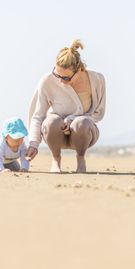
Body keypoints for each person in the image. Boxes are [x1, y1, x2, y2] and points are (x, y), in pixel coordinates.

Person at [26, 39, 106, 173]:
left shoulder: (97, 79)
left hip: (84, 133)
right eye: (57, 75)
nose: (61, 81)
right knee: (51, 121)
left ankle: (81, 159)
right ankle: (56, 160)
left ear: (80, 69)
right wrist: (33, 143)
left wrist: (71, 119)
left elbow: (99, 113)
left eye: (66, 78)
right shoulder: (47, 81)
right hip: (55, 134)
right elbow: (38, 115)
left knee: (81, 122)